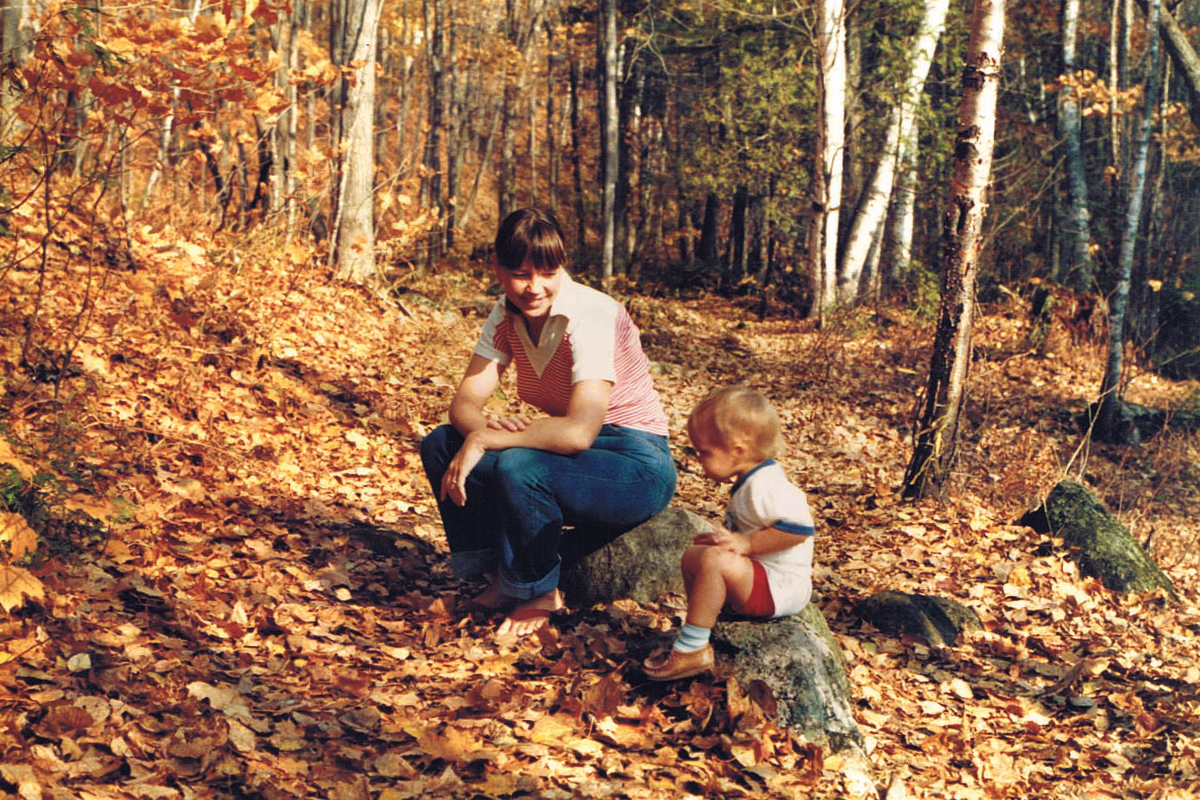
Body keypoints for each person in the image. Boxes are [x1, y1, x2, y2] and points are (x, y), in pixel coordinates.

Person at [420, 208, 676, 638]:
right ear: (497, 269)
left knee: (520, 464)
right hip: (579, 457)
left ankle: (538, 590)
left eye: (547, 272)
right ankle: (501, 574)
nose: (534, 288)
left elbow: (578, 433)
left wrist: (489, 437)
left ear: (563, 267)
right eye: (520, 274)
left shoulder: (590, 314)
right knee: (442, 445)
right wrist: (480, 433)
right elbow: (464, 403)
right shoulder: (506, 315)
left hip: (636, 462)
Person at [643, 386, 816, 680]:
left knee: (713, 561)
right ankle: (705, 620)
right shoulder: (752, 480)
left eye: (704, 452)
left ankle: (692, 649)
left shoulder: (765, 486)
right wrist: (728, 541)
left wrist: (746, 543)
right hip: (761, 579)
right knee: (694, 557)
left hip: (779, 588)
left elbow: (799, 529)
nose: (698, 460)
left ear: (738, 451)